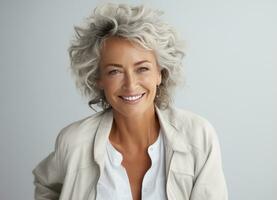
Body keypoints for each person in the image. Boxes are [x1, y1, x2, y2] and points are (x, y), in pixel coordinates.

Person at [32, 3, 228, 200]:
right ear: (98, 78)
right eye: (114, 71)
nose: (130, 84)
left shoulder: (197, 136)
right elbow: (46, 184)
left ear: (160, 73)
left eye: (142, 68)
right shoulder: (74, 142)